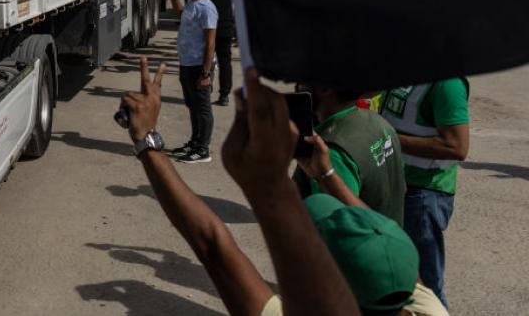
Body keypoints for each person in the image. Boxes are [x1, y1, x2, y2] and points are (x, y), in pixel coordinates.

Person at [117, 58, 448, 316]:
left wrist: (147, 140)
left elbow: (212, 244)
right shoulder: (426, 306)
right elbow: (391, 248)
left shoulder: (341, 143)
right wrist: (325, 174)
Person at [379, 80, 470, 307]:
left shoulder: (447, 84)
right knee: (392, 279)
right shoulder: (404, 70)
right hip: (396, 185)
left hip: (423, 196)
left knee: (426, 287)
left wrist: (390, 139)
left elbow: (456, 146)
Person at [292, 85, 407, 227]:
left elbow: (338, 224)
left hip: (359, 246)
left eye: (303, 80)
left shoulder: (331, 150)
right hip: (390, 239)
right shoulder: (376, 121)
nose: (297, 87)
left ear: (325, 88)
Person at [166, 0, 217, 163]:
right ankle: (194, 142)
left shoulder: (207, 8)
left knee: (203, 109)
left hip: (199, 66)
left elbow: (211, 42)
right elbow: (183, 15)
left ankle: (203, 150)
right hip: (186, 63)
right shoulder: (191, 3)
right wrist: (173, 0)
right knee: (192, 106)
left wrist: (206, 73)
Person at [203, 0, 235, 105]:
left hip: (208, 26)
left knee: (206, 59)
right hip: (226, 25)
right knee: (225, 61)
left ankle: (205, 90)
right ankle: (224, 95)